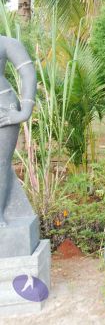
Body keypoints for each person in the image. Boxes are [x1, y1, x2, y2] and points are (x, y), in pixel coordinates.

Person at [0, 36, 36, 225]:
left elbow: (28, 73)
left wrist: (25, 111)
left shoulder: (7, 43)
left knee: (0, 163)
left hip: (3, 110)